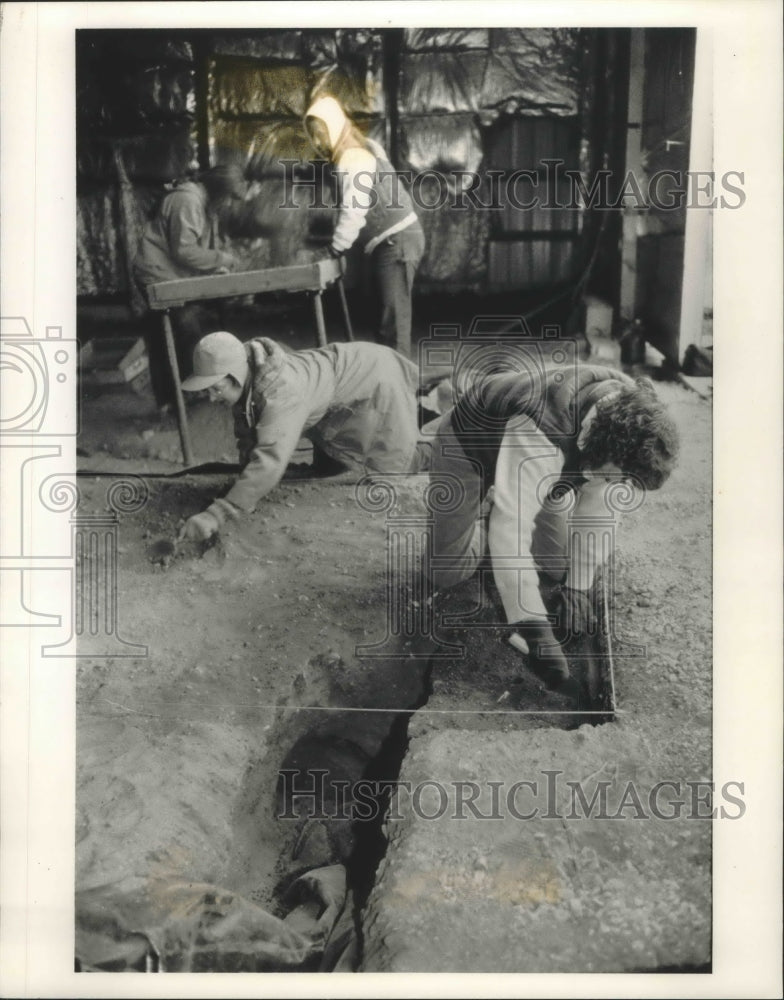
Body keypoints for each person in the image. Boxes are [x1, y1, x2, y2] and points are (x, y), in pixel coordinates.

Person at [425, 364, 680, 693]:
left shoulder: (628, 417)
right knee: (446, 572)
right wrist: (535, 630)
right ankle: (483, 512)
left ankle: (512, 499)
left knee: (560, 567)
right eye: (618, 476)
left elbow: (599, 507)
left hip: (551, 471)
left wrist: (579, 585)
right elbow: (511, 530)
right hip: (470, 444)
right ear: (603, 446)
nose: (620, 485)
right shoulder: (542, 427)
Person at [178, 331, 425, 541]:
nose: (211, 398)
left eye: (216, 388)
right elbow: (249, 431)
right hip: (336, 394)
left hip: (375, 380)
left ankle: (453, 446)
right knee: (331, 466)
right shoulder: (249, 374)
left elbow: (271, 458)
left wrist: (220, 512)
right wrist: (245, 486)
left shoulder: (281, 393)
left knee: (393, 471)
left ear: (235, 377)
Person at [303, 95, 426, 358]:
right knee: (384, 320)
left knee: (392, 325)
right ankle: (388, 382)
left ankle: (399, 390)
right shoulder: (366, 147)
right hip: (393, 240)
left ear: (334, 127)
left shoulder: (354, 158)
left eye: (320, 134)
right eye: (311, 136)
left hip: (397, 241)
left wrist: (335, 249)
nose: (316, 142)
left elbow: (353, 211)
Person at [133, 164, 247, 405]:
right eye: (227, 199)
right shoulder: (188, 200)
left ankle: (180, 395)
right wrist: (222, 259)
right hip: (157, 275)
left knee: (201, 321)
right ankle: (179, 398)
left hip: (170, 273)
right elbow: (184, 251)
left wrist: (216, 264)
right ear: (218, 191)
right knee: (185, 327)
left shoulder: (199, 201)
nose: (227, 205)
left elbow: (191, 248)